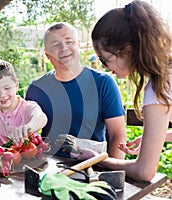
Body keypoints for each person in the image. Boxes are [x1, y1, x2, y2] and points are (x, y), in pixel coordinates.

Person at [72, 0, 172, 181]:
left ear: (127, 49)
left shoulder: (159, 87)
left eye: (106, 59)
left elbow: (144, 171)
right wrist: (160, 137)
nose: (105, 67)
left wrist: (99, 159)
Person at [25, 22, 127, 159]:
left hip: (92, 166)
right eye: (55, 45)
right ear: (47, 54)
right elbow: (29, 136)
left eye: (69, 42)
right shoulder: (36, 89)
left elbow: (117, 134)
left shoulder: (103, 83)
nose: (64, 48)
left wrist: (113, 173)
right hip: (48, 168)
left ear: (78, 44)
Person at [0, 59, 48, 146]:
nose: (2, 95)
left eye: (7, 88)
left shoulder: (28, 107)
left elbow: (41, 117)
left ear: (16, 85)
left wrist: (28, 128)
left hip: (32, 157)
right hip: (2, 158)